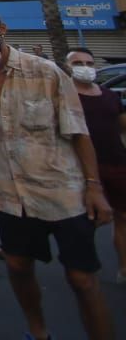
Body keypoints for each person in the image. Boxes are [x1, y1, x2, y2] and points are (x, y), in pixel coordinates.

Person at [0, 5, 112, 340]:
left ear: (2, 29)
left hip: (62, 190)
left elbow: (78, 131)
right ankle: (38, 332)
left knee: (82, 278)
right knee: (18, 266)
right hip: (11, 195)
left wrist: (94, 187)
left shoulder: (44, 71)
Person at [65, 47, 125, 283]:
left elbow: (122, 125)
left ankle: (123, 267)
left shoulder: (109, 96)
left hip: (116, 163)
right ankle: (84, 269)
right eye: (78, 63)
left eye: (89, 63)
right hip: (79, 170)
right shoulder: (64, 98)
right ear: (68, 68)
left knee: (122, 217)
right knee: (85, 222)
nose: (85, 68)